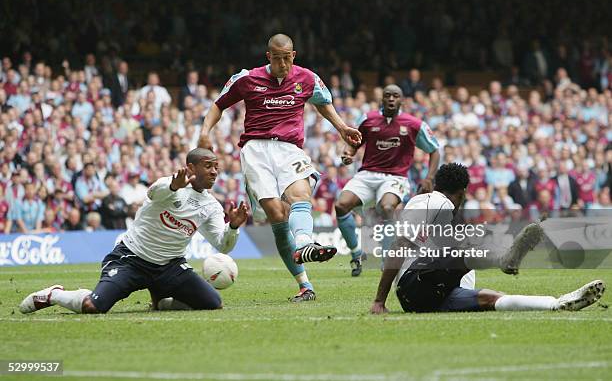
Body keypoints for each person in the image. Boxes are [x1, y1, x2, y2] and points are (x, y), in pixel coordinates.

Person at [198, 34, 361, 302]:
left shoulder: (307, 78)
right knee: (276, 214)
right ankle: (304, 284)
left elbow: (323, 103)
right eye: (277, 58)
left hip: (289, 149)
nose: (283, 64)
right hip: (256, 149)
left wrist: (342, 128)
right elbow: (218, 105)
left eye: (287, 58)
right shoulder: (246, 78)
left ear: (293, 56)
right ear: (268, 57)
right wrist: (205, 132)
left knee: (300, 195)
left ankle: (305, 243)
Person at [19, 148, 248, 314]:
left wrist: (234, 226)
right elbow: (153, 193)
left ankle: (161, 302)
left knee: (212, 302)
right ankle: (53, 294)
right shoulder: (169, 185)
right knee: (93, 306)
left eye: (216, 166)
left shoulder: (211, 207)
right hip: (131, 260)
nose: (214, 172)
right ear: (191, 167)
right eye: (208, 166)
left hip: (170, 266)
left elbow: (223, 245)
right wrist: (173, 186)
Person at [370, 163, 605, 314]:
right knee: (467, 246)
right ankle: (504, 259)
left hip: (424, 300)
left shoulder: (435, 213)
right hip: (413, 284)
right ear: (462, 192)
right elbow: (399, 247)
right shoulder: (433, 201)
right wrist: (380, 301)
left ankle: (556, 303)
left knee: (491, 298)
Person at [335, 84, 440, 276]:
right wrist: (348, 154)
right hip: (367, 174)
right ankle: (356, 254)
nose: (391, 99)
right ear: (381, 99)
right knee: (341, 205)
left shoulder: (414, 124)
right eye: (388, 96)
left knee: (387, 207)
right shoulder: (368, 119)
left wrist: (430, 177)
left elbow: (434, 150)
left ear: (402, 100)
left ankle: (387, 261)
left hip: (395, 176)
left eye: (395, 96)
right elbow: (354, 143)